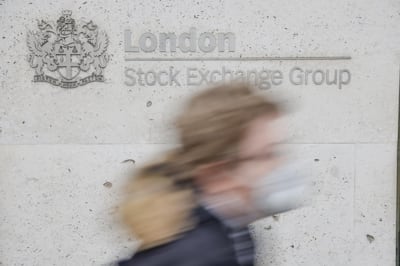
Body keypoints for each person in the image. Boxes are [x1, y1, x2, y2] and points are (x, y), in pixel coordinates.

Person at [116, 82, 295, 266]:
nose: (279, 165)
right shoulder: (204, 254)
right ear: (217, 172)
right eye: (267, 155)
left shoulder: (232, 228)